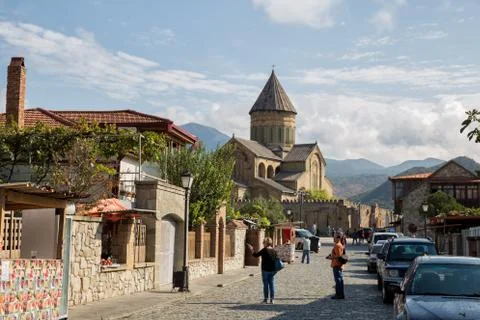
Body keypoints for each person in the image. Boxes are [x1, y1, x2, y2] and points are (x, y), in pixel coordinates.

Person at [246, 237, 278, 304]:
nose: (263, 244)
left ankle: (265, 299)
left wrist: (251, 249)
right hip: (272, 270)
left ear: (265, 243)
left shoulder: (264, 250)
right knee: (271, 284)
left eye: (263, 242)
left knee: (266, 285)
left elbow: (256, 255)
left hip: (265, 270)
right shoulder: (274, 250)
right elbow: (276, 260)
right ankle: (272, 299)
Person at [326, 232, 345, 299]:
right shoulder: (338, 245)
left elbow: (339, 256)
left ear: (338, 238)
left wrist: (331, 257)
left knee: (338, 280)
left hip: (337, 265)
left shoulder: (338, 245)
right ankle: (340, 294)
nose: (333, 238)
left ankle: (339, 295)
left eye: (334, 237)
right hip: (337, 264)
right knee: (339, 280)